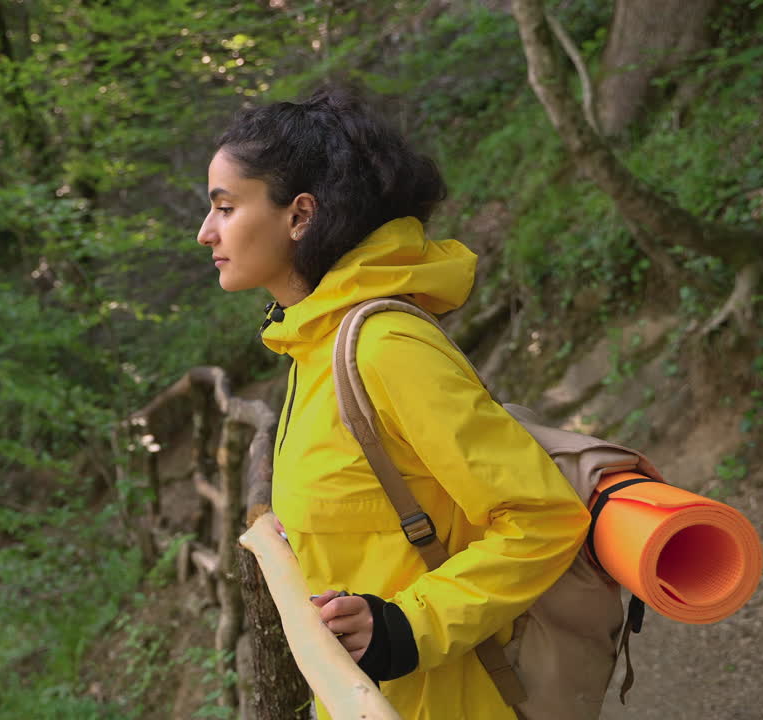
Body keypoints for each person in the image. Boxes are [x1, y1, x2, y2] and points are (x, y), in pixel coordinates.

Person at [196, 87, 590, 720]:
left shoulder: (386, 347)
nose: (204, 232)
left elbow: (544, 518)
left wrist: (406, 626)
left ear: (299, 216)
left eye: (224, 207)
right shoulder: (310, 344)